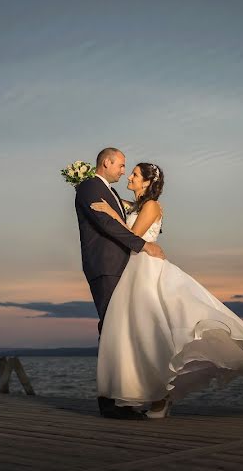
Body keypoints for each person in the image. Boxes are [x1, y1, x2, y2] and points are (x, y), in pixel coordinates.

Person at [90, 162, 243, 419]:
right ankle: (154, 394)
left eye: (135, 174)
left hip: (147, 269)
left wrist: (109, 211)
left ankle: (162, 398)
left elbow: (133, 234)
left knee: (158, 329)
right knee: (142, 333)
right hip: (135, 269)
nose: (129, 175)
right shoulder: (140, 205)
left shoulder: (151, 206)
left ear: (147, 182)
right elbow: (130, 211)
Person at [75, 147, 166, 420]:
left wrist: (122, 217)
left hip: (125, 269)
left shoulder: (116, 195)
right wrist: (143, 245)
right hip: (107, 266)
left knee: (122, 331)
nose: (125, 172)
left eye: (132, 171)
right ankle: (113, 401)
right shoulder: (90, 187)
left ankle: (126, 396)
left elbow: (123, 215)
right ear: (107, 162)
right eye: (123, 166)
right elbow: (106, 223)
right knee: (113, 330)